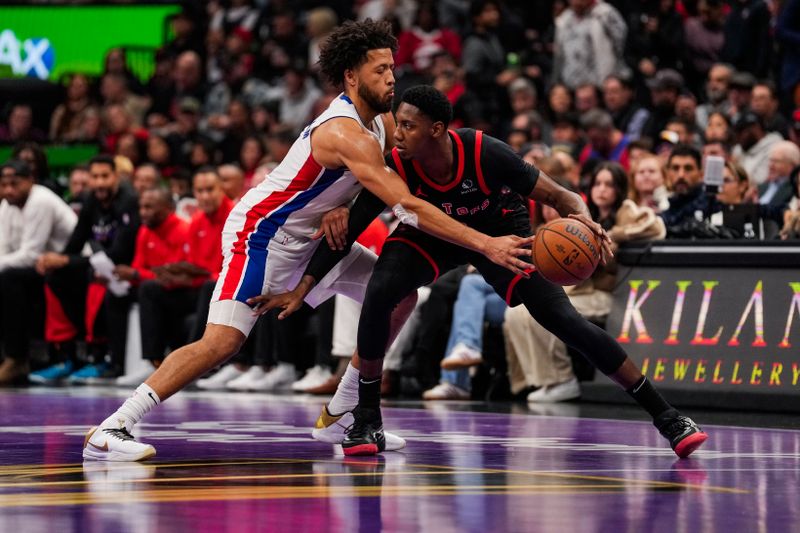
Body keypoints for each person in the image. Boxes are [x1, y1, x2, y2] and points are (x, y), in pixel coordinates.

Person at [82, 20, 531, 462]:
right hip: (264, 235)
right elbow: (405, 202)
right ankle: (112, 427)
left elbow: (378, 181)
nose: (392, 77)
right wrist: (484, 243)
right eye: (380, 69)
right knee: (222, 342)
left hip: (311, 238)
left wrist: (340, 206)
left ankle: (340, 413)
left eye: (392, 67)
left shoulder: (383, 119)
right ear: (352, 76)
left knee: (398, 297)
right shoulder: (343, 131)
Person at [258, 86, 708, 459]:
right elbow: (351, 226)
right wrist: (305, 284)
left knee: (565, 321)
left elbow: (562, 196)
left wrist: (587, 221)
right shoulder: (397, 164)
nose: (397, 133)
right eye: (398, 122)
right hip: (432, 236)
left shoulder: (486, 152)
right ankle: (367, 420)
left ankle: (668, 416)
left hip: (502, 237)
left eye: (408, 125)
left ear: (437, 129)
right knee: (382, 290)